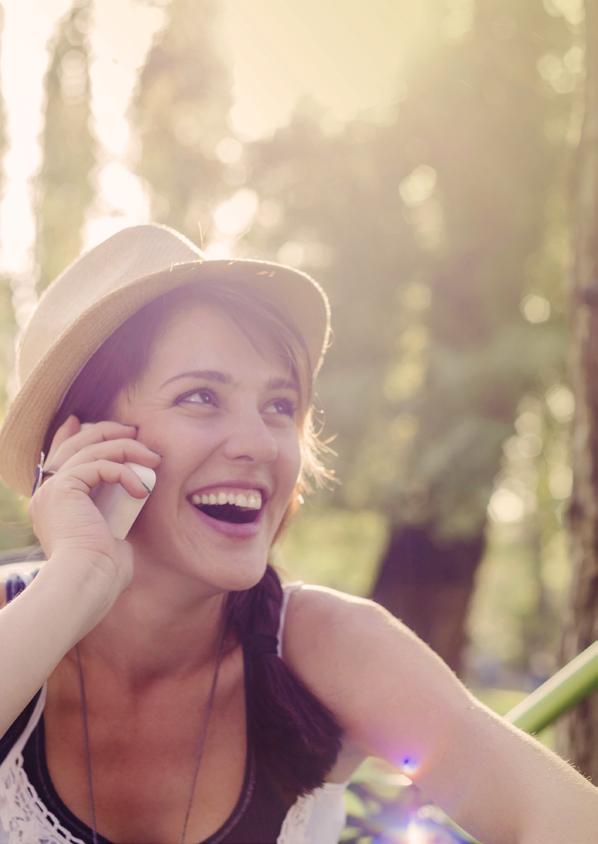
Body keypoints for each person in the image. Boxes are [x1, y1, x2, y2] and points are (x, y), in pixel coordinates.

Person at [0, 224, 595, 844]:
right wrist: (78, 576)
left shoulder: (329, 647)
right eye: (201, 396)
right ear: (82, 443)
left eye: (280, 407)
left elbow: (554, 818)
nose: (260, 444)